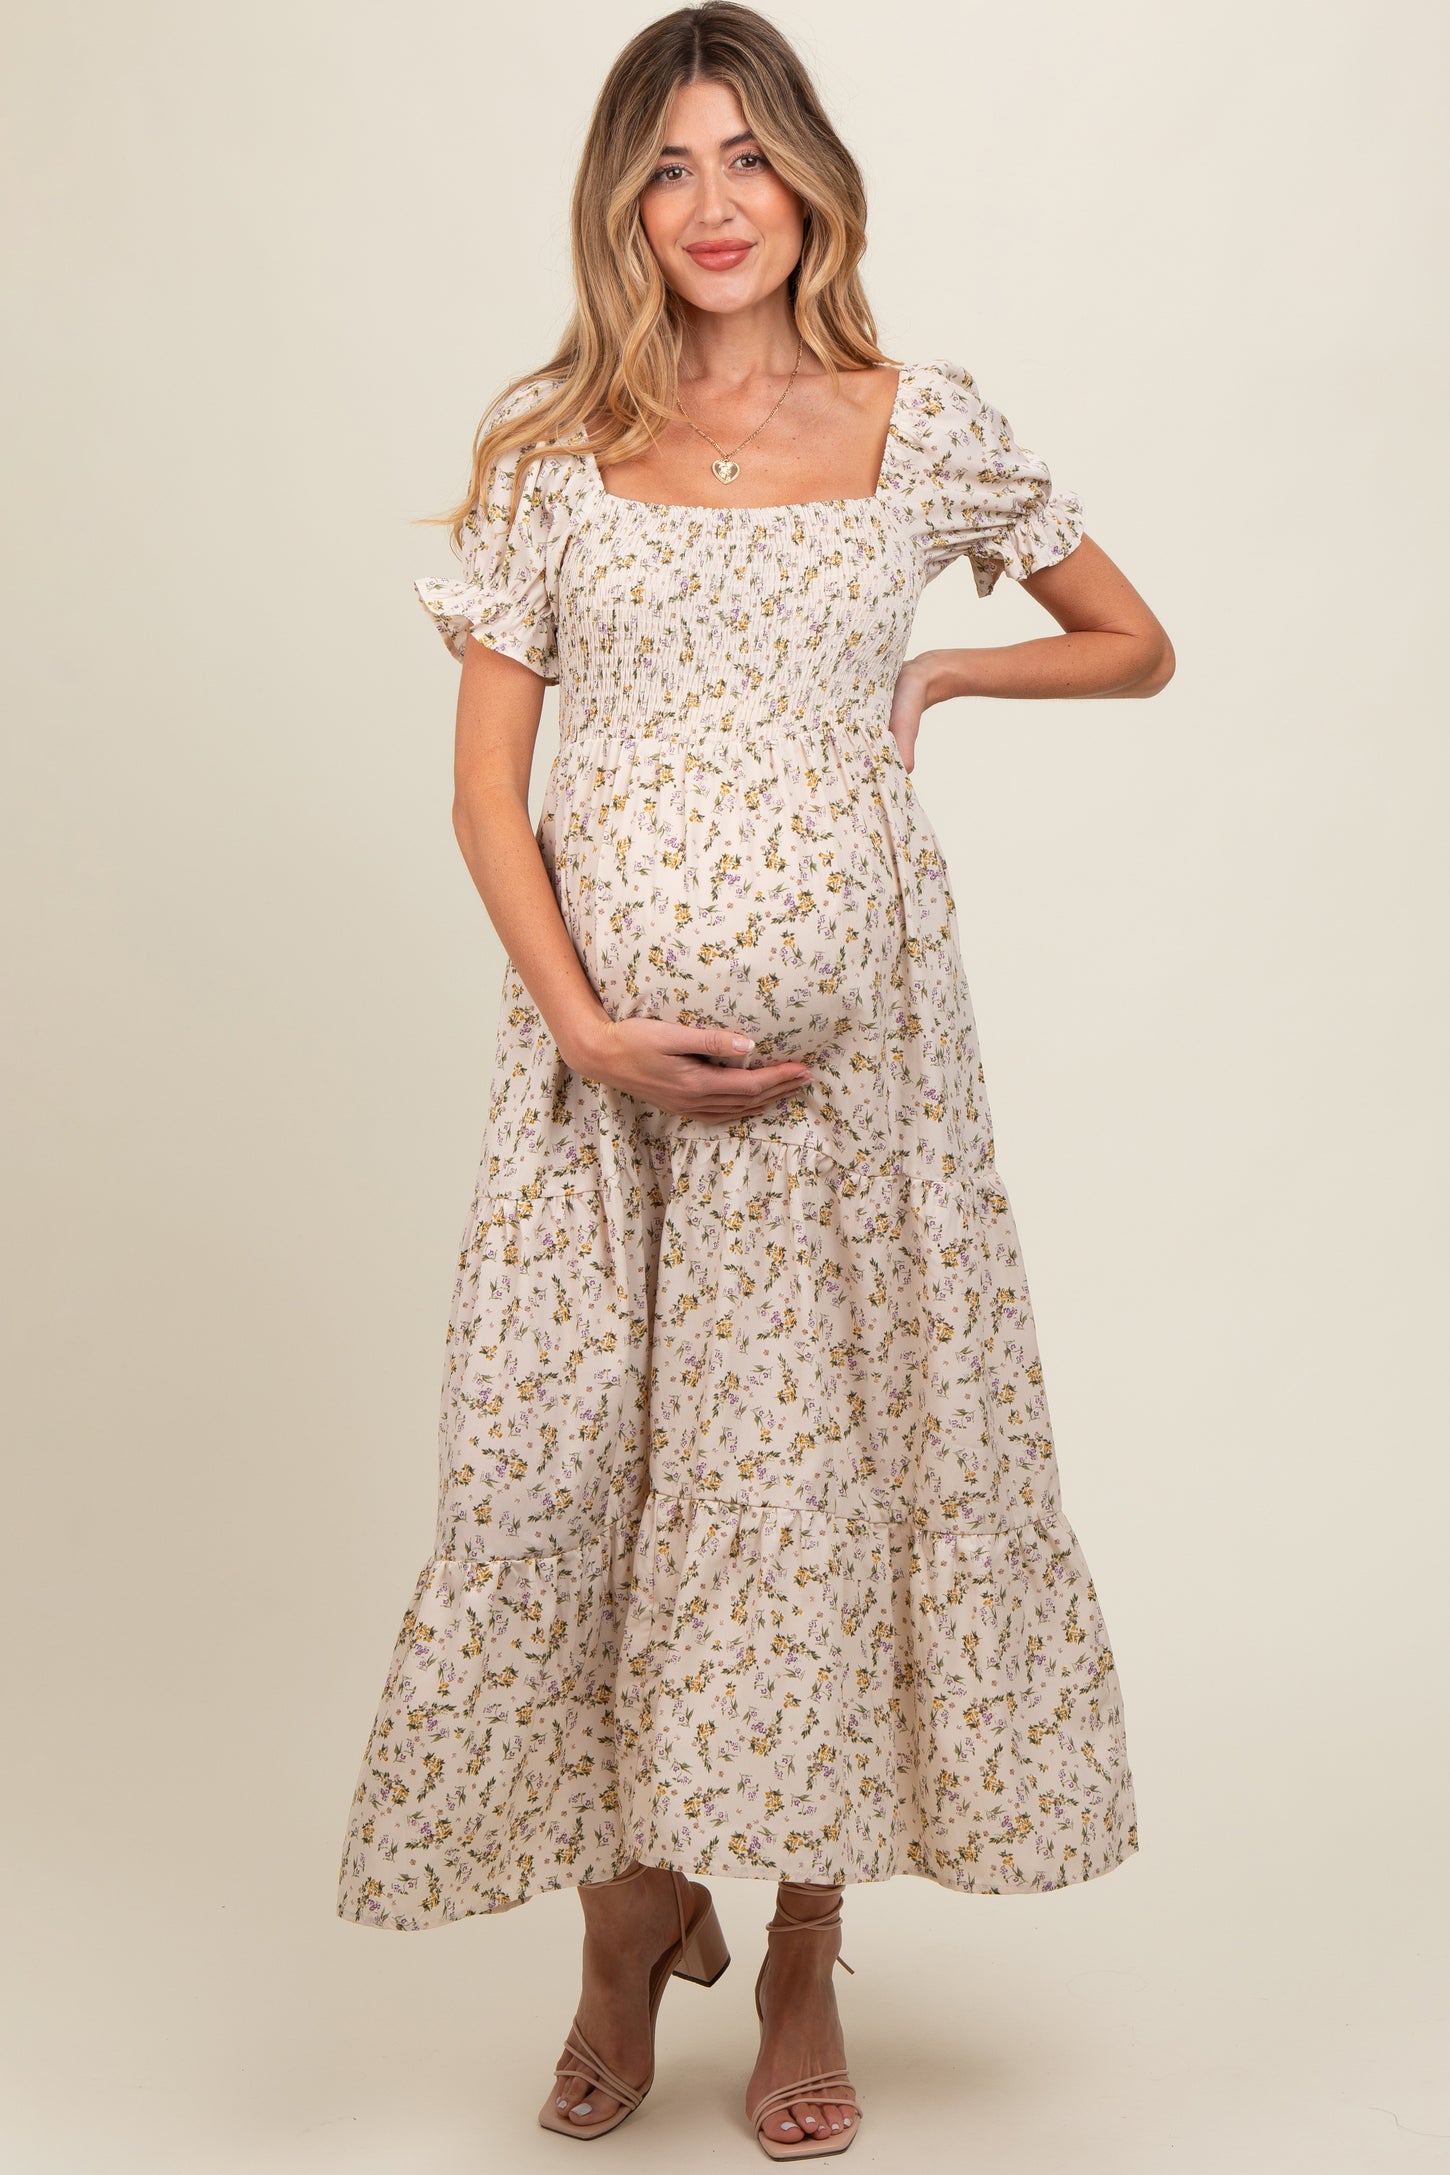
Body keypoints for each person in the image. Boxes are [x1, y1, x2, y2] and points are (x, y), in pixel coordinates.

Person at [337, 2, 1169, 2157]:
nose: (711, 206)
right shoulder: (552, 450)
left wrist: (949, 664)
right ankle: (625, 1926)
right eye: (665, 167)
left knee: (821, 1484)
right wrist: (584, 1022)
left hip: (855, 1094)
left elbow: (1133, 638)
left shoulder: (918, 420)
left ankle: (800, 1944)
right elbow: (485, 798)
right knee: (576, 1477)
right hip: (598, 1092)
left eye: (745, 158)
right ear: (620, 207)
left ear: (809, 180)